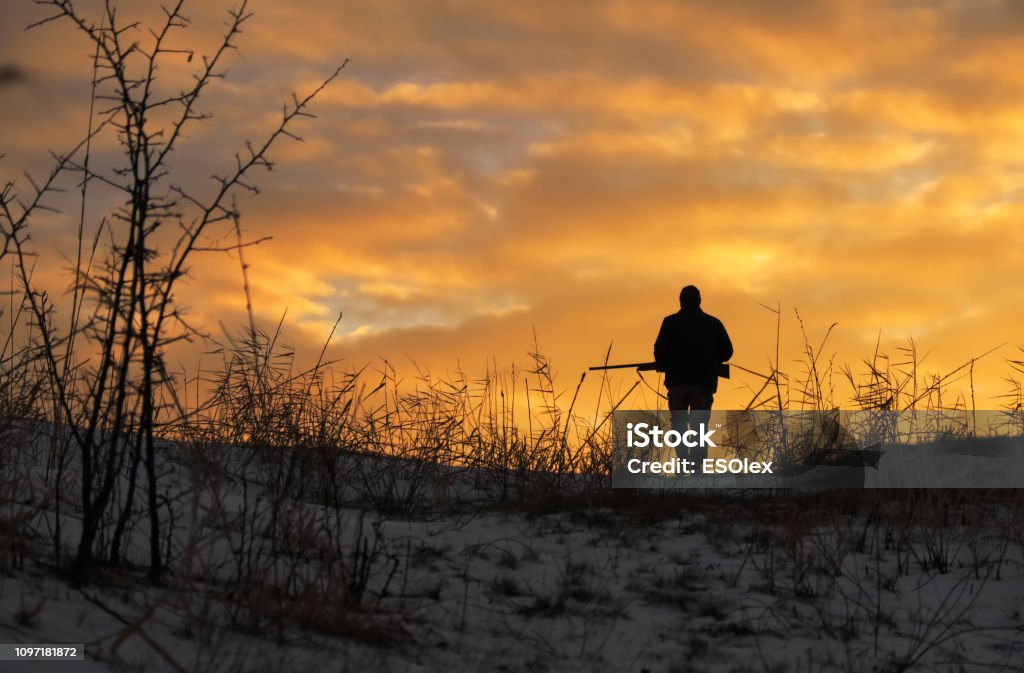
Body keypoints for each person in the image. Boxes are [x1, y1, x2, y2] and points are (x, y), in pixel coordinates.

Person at [653, 285, 733, 463]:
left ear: (680, 301)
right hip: (702, 385)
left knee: (679, 426)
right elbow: (727, 351)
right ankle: (696, 469)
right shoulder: (713, 323)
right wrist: (710, 361)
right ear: (699, 301)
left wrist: (665, 364)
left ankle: (682, 462)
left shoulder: (670, 323)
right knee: (699, 428)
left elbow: (659, 351)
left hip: (678, 385)